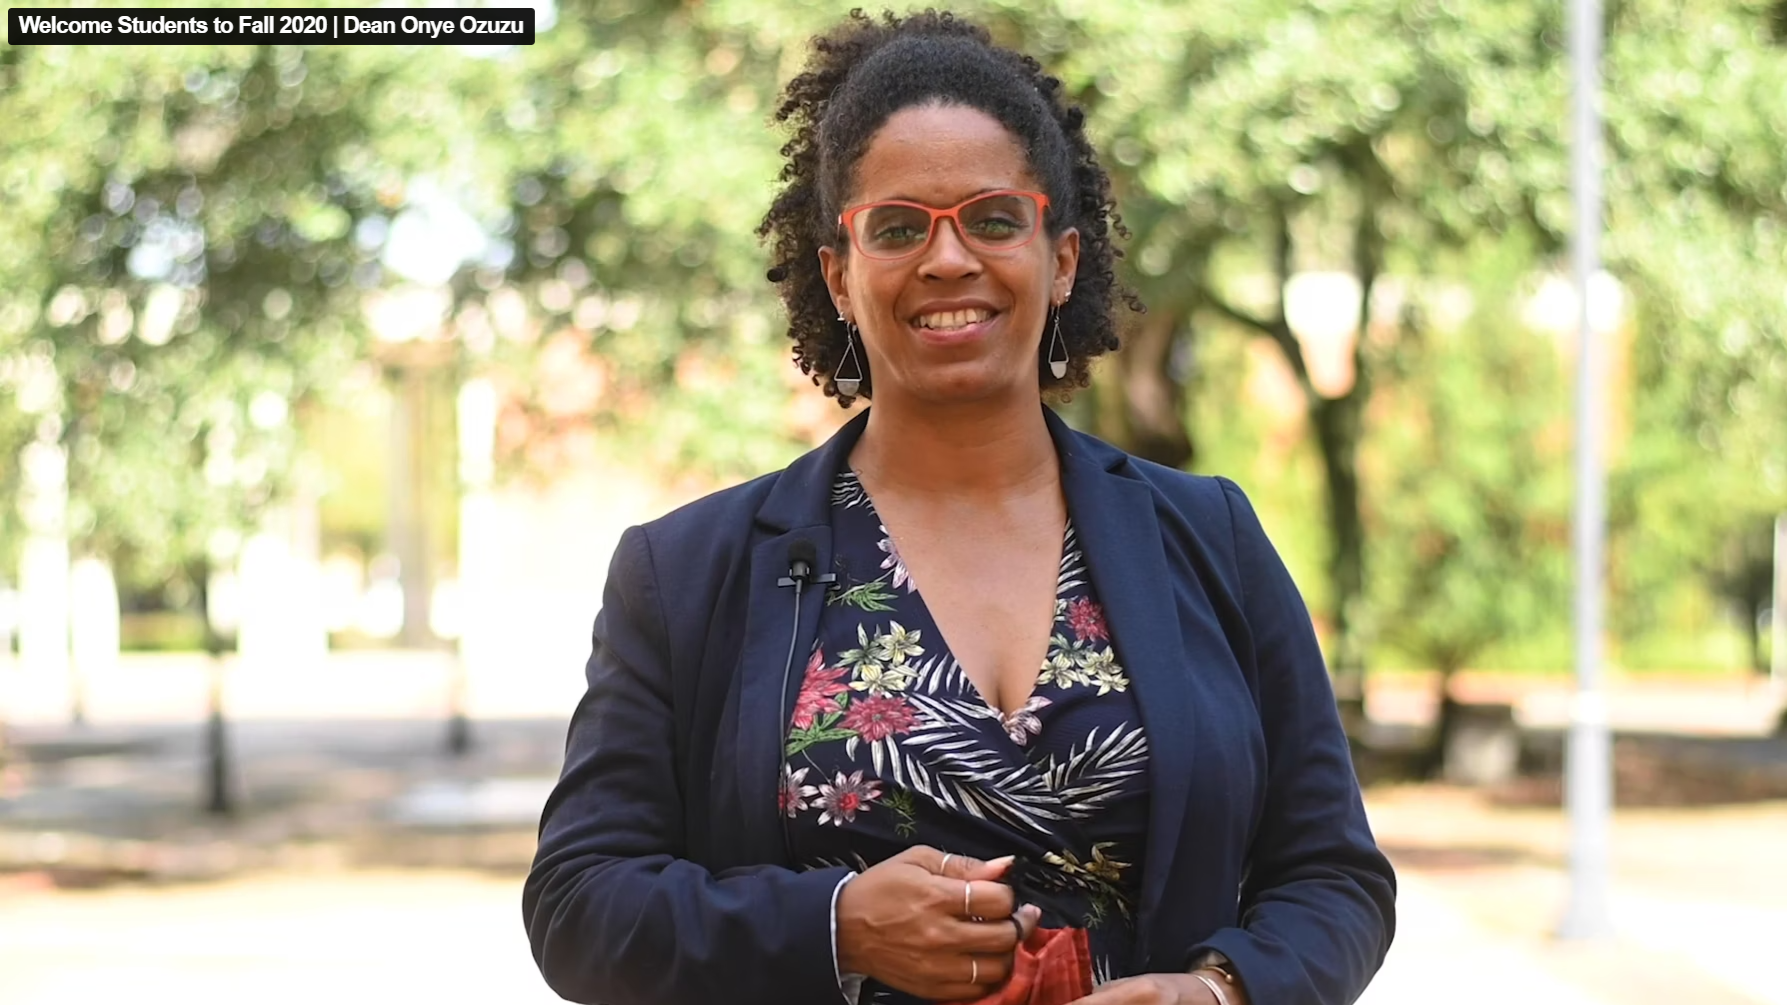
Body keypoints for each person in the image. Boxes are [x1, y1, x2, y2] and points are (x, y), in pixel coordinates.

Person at [523, 10, 1396, 1005]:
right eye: (898, 228)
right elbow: (579, 905)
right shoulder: (686, 571)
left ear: (1061, 259)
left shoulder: (1207, 537)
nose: (947, 259)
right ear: (839, 275)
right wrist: (836, 927)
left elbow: (1332, 875)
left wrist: (1218, 992)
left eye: (993, 219)